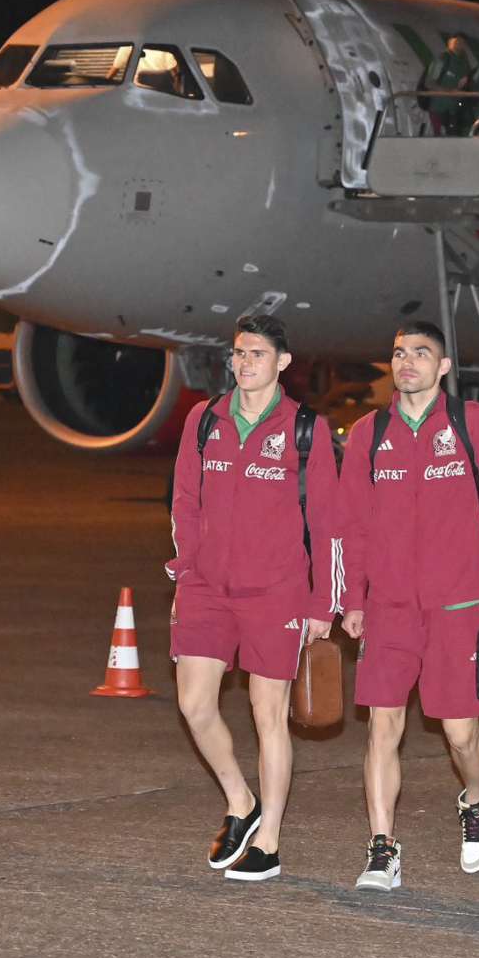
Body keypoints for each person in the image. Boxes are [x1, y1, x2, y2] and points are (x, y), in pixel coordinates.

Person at [337, 321, 479, 892]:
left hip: (459, 606)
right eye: (399, 354)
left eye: (421, 354)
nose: (407, 363)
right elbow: (350, 525)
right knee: (381, 729)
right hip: (390, 609)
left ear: (443, 367)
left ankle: (476, 799)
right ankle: (382, 848)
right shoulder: (370, 433)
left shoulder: (472, 424)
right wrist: (351, 598)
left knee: (460, 734)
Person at [166, 312, 339, 882]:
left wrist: (321, 605)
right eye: (238, 353)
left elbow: (328, 524)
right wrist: (186, 571)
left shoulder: (304, 429)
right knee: (195, 703)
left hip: (277, 595)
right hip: (208, 588)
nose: (244, 364)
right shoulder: (203, 420)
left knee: (269, 717)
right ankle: (241, 802)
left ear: (282, 364)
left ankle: (269, 841)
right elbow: (185, 503)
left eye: (256, 354)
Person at [421, 35, 474, 135]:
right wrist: (450, 92)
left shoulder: (464, 61)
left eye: (462, 43)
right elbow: (429, 83)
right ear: (450, 43)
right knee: (438, 136)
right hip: (438, 107)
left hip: (454, 109)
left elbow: (465, 81)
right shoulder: (443, 58)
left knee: (452, 136)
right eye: (457, 42)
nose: (459, 45)